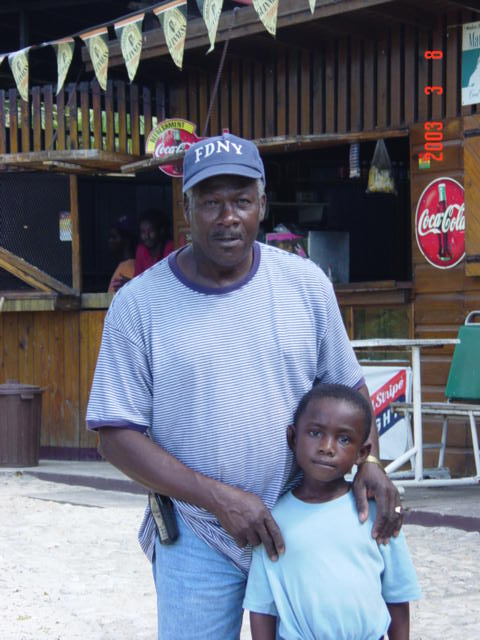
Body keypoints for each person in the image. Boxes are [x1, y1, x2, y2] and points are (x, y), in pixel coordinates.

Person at [86, 133, 403, 640]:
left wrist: (371, 463)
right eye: (210, 202)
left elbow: (349, 391)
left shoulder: (305, 285)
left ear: (262, 203)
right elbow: (115, 435)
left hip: (299, 522)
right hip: (196, 535)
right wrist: (218, 498)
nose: (228, 217)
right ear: (187, 209)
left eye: (241, 200)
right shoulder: (139, 304)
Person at [244, 383, 421, 640]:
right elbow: (262, 607)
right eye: (315, 433)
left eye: (344, 439)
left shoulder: (377, 513)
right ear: (293, 438)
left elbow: (397, 595)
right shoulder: (273, 519)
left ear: (362, 453)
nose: (327, 447)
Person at [134, 211, 174, 276]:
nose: (146, 236)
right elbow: (138, 276)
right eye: (143, 232)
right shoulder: (141, 250)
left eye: (151, 231)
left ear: (161, 231)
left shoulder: (170, 247)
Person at [107, 214, 138, 293]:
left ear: (127, 240)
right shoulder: (124, 265)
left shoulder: (128, 267)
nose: (110, 241)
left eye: (114, 237)